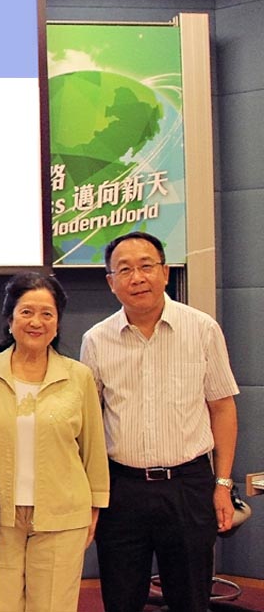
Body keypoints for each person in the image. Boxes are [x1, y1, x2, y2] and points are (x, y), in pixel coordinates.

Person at [81, 231, 239, 612]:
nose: (137, 277)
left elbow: (222, 408)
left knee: (190, 599)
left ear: (165, 272)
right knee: (121, 598)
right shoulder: (96, 340)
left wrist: (222, 484)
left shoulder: (202, 329)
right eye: (125, 269)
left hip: (188, 485)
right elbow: (87, 423)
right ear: (111, 282)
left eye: (146, 266)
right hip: (122, 489)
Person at [0, 272, 109, 611]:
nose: (37, 322)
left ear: (58, 322)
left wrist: (94, 506)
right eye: (27, 312)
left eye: (47, 314)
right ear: (10, 319)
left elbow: (93, 448)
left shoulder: (78, 377)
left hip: (63, 517)